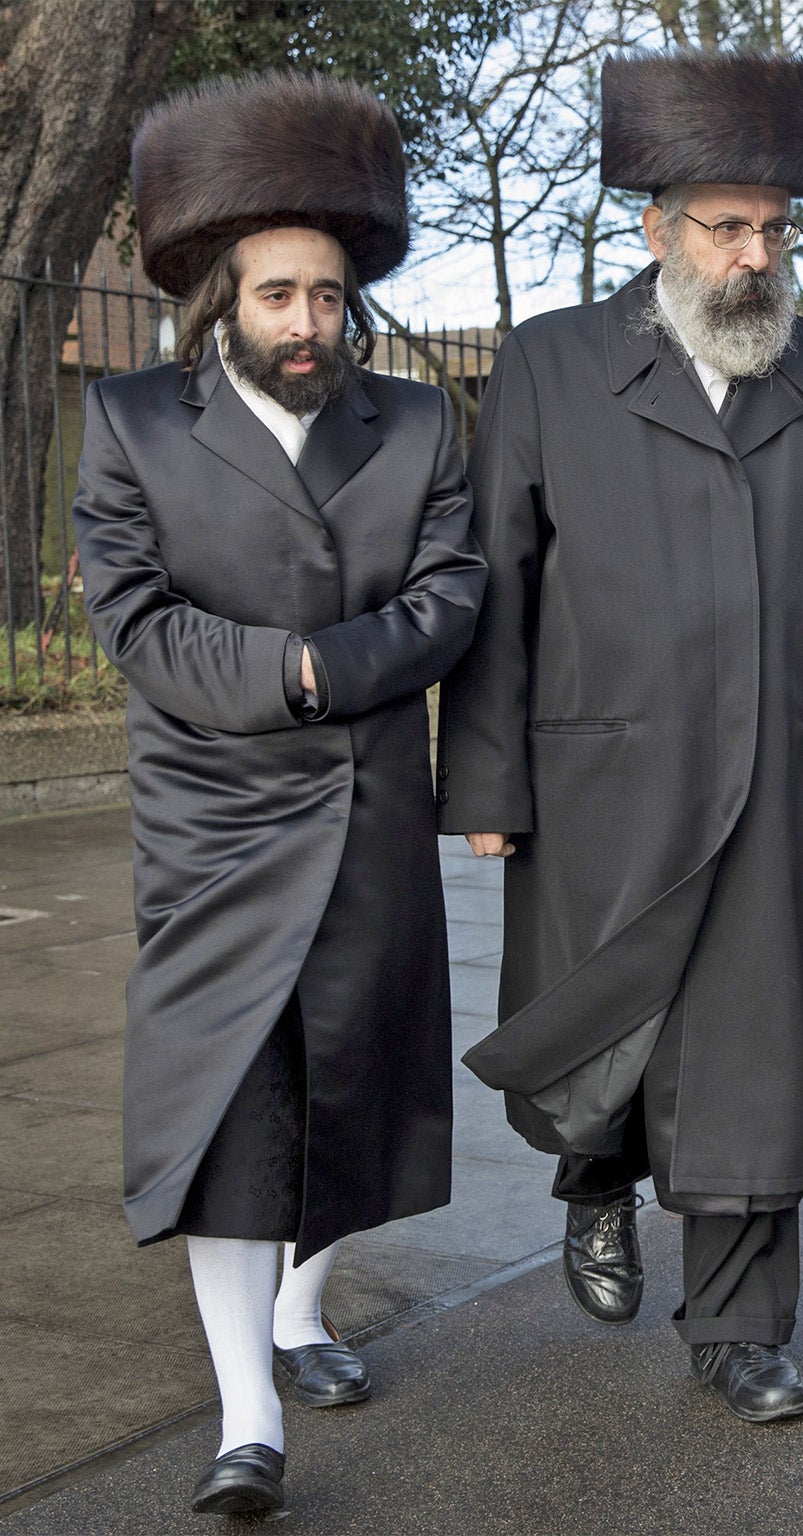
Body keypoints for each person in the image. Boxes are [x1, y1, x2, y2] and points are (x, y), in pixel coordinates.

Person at [436, 48, 803, 1423]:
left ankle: (744, 1323)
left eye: (775, 227)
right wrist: (486, 775)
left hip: (782, 770)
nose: (755, 253)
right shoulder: (550, 365)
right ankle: (596, 1179)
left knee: (758, 1048)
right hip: (600, 768)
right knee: (603, 1024)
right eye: (727, 225)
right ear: (658, 231)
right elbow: (501, 583)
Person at [72, 75, 486, 1516]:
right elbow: (133, 616)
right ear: (223, 303)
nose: (305, 321)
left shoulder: (422, 427)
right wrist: (294, 676)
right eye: (277, 296)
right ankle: (248, 1417)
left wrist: (339, 666)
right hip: (212, 817)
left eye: (326, 294)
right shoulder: (132, 421)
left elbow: (452, 596)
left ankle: (304, 1311)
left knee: (350, 1082)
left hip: (369, 813)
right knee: (227, 1102)